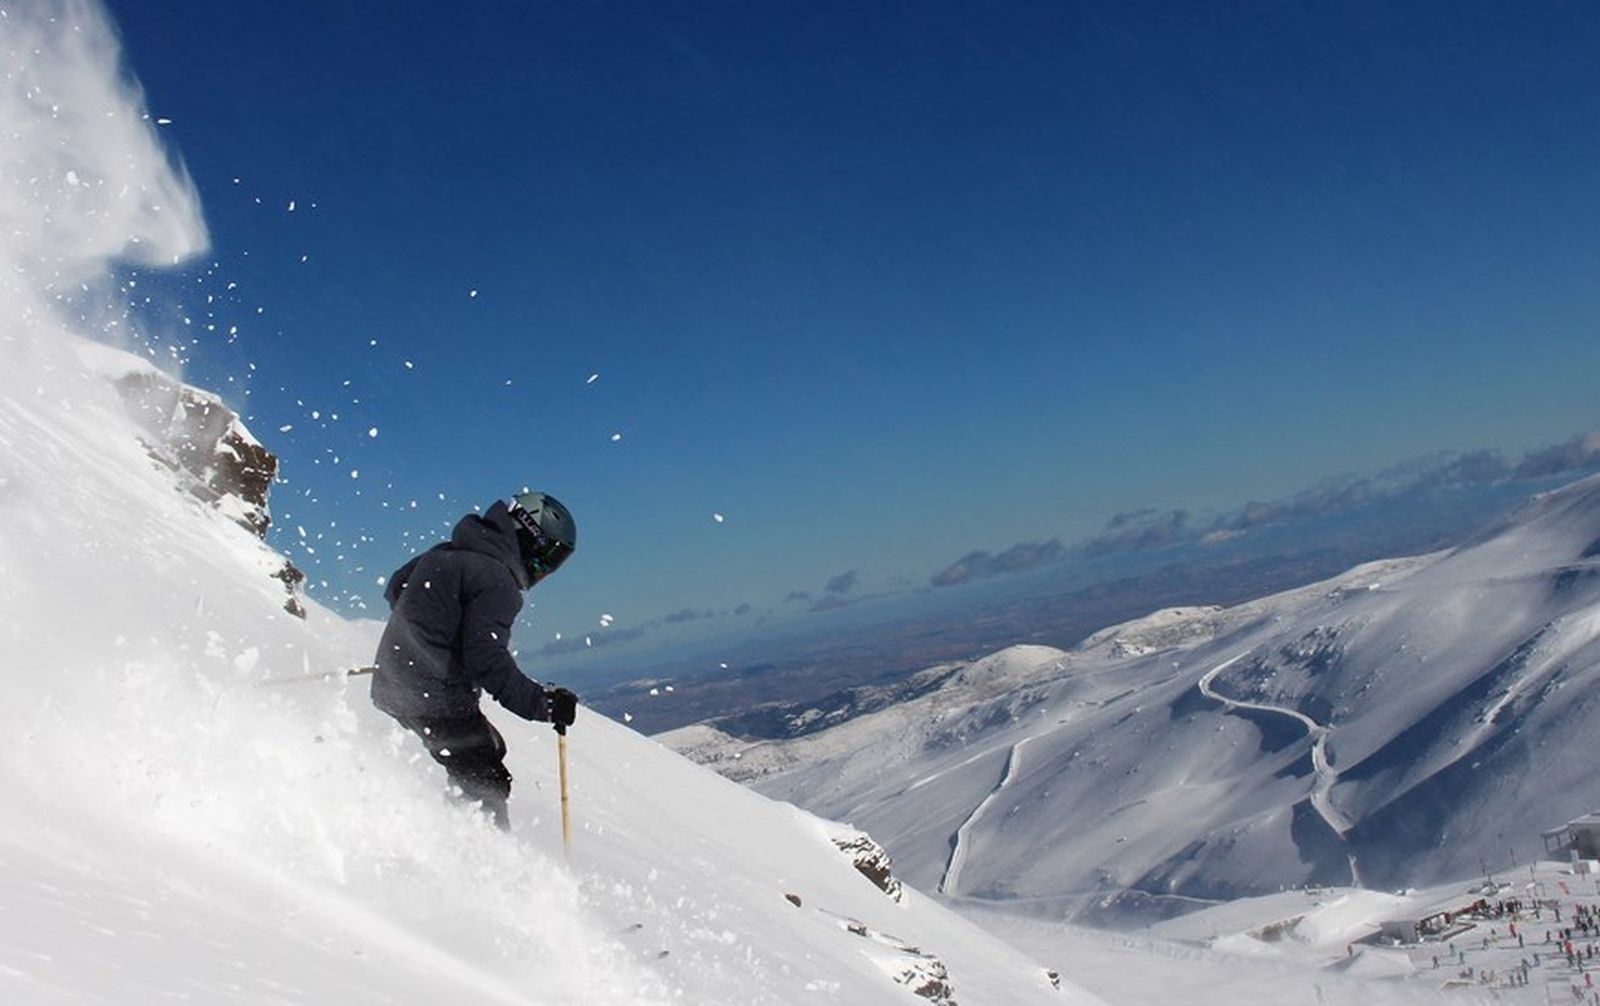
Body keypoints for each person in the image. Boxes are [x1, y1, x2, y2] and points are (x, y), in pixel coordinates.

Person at [371, 489, 580, 829]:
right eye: (546, 557)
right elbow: (487, 660)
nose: (543, 570)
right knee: (488, 781)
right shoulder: (498, 580)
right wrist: (545, 705)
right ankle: (476, 862)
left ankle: (453, 835)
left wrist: (429, 641)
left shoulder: (445, 552)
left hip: (394, 685)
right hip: (433, 698)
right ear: (528, 538)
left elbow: (397, 588)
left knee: (488, 748)